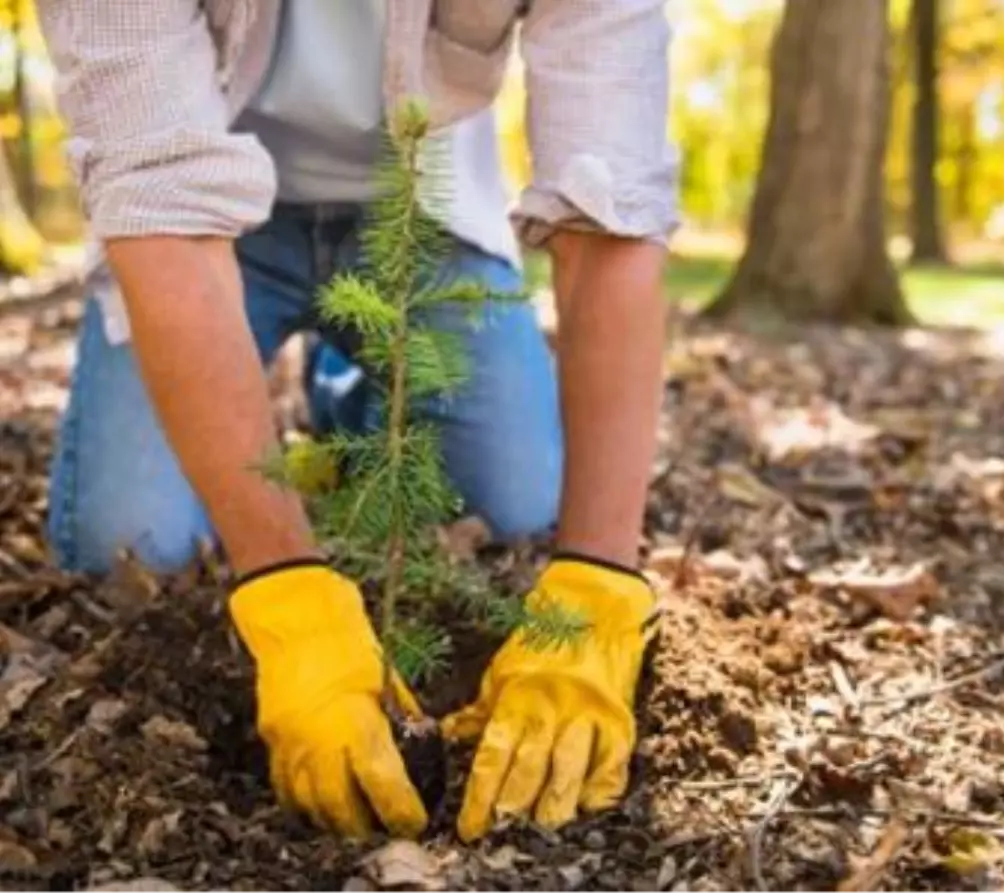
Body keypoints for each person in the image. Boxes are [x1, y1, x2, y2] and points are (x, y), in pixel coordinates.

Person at [36, 1, 677, 844]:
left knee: (518, 500)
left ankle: (349, 406)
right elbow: (161, 204)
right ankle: (293, 415)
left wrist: (599, 575)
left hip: (420, 210)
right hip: (204, 216)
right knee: (129, 541)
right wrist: (286, 587)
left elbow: (613, 200)